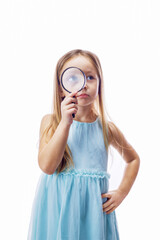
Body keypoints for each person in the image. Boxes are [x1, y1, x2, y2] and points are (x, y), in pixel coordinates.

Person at [27, 49, 140, 240]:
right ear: (61, 87)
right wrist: (65, 123)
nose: (84, 85)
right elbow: (47, 166)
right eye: (73, 78)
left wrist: (121, 192)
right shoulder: (51, 122)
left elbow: (133, 159)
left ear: (100, 85)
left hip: (93, 215)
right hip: (58, 209)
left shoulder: (107, 129)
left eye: (90, 77)